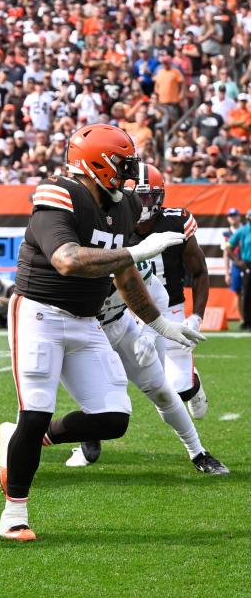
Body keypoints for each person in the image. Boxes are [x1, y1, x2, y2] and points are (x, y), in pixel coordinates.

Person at [0, 124, 205, 541]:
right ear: (98, 164)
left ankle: (19, 439)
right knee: (34, 412)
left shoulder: (123, 205)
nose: (129, 173)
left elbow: (124, 273)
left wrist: (160, 323)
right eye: (123, 164)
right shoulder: (58, 195)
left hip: (87, 319)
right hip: (39, 313)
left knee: (113, 419)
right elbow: (67, 259)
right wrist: (134, 250)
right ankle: (14, 514)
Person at [65, 164, 227, 475]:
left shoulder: (128, 243)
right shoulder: (75, 246)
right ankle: (78, 437)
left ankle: (198, 452)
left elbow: (159, 294)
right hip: (84, 329)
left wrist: (151, 332)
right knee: (100, 400)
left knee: (165, 390)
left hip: (123, 321)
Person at [133, 167, 212, 418]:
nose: (142, 204)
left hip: (170, 307)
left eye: (147, 196)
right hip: (129, 307)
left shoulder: (177, 221)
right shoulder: (115, 223)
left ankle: (193, 385)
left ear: (159, 197)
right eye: (136, 196)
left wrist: (197, 317)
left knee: (176, 394)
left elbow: (199, 272)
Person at [226, 208, 251, 330]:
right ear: (248, 218)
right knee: (246, 293)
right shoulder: (243, 231)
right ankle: (247, 322)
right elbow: (229, 247)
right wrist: (237, 261)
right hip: (248, 265)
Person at [222, 208, 244, 326]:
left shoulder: (246, 230)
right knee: (238, 293)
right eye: (230, 215)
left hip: (247, 262)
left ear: (239, 216)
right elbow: (226, 253)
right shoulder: (226, 233)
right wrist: (227, 272)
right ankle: (242, 319)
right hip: (236, 266)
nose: (233, 217)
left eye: (235, 215)